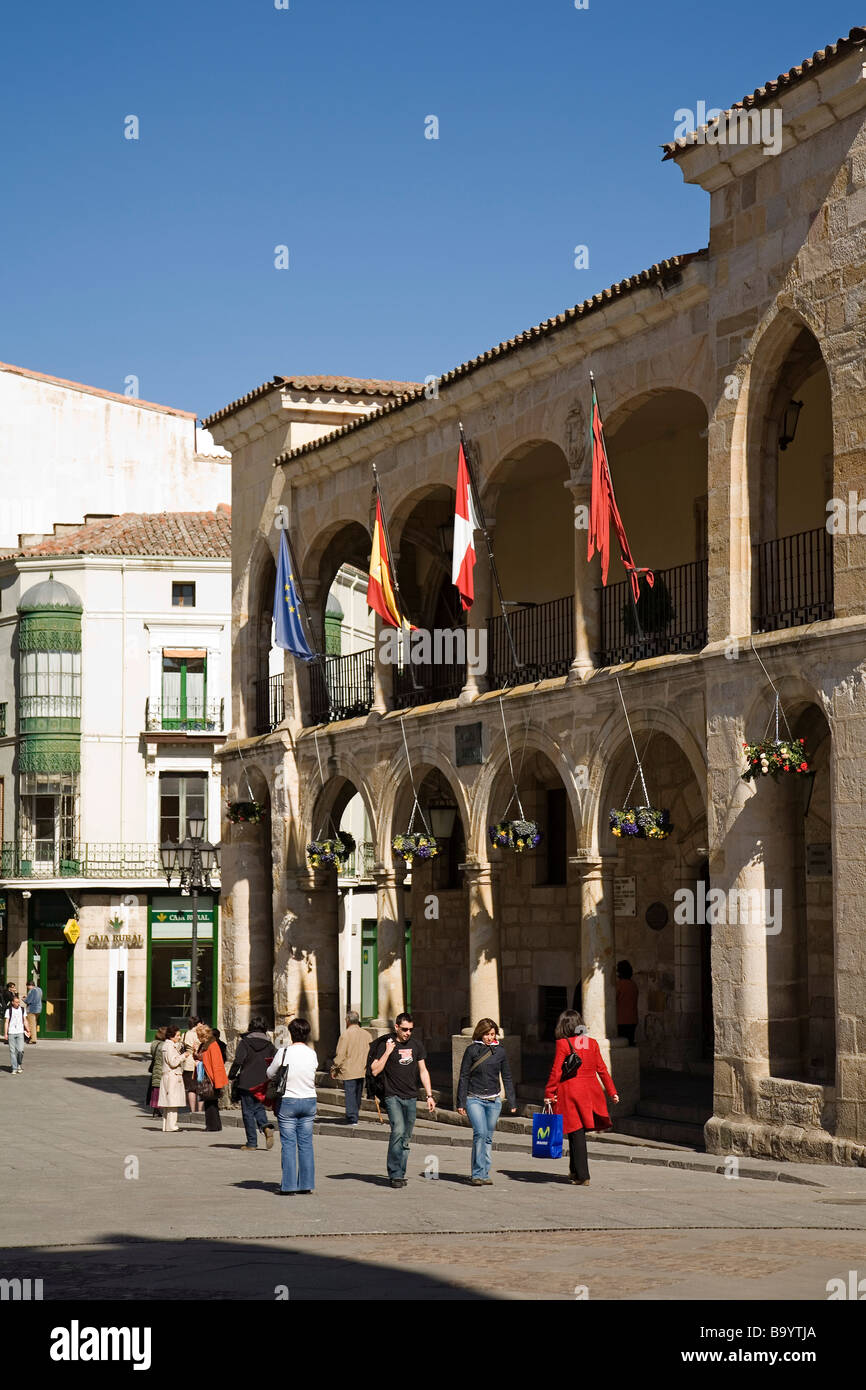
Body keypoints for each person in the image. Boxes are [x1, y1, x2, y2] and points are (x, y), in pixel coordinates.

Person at [544, 1009, 618, 1186]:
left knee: (575, 1131)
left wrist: (549, 1092)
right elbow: (602, 1069)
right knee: (576, 1131)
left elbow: (557, 1071)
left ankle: (583, 1174)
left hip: (570, 1090)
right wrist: (612, 1091)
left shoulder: (563, 1043)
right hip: (590, 1090)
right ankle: (574, 1170)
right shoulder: (591, 1043)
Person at [369, 1012, 436, 1188]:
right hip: (392, 1095)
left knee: (406, 1137)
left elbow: (423, 1070)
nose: (407, 1033)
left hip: (411, 1096)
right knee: (398, 1130)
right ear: (396, 1027)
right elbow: (374, 1070)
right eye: (404, 1029)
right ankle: (395, 1173)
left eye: (410, 1030)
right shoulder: (386, 1044)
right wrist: (388, 1051)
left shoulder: (416, 1045)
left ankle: (400, 1172)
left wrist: (429, 1095)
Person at [456, 1018, 517, 1185]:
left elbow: (507, 1076)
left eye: (492, 1034)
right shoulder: (472, 1050)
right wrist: (460, 1102)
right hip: (474, 1098)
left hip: (494, 1100)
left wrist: (511, 1101)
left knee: (488, 1137)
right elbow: (464, 1076)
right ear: (480, 1034)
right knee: (480, 1133)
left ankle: (484, 1173)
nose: (490, 1037)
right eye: (486, 1034)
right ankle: (476, 1173)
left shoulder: (500, 1052)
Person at [266, 1017, 318, 1194]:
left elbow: (270, 1072)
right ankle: (306, 1184)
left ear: (291, 1033)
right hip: (309, 1099)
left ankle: (288, 1185)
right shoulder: (312, 1053)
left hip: (288, 1100)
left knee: (288, 1144)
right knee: (306, 1144)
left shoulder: (284, 1052)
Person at [228, 1018, 276, 1151]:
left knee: (248, 1112)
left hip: (246, 1081)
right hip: (263, 1081)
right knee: (258, 1107)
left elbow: (238, 1060)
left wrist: (231, 1075)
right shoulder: (270, 1045)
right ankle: (265, 1126)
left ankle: (252, 1142)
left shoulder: (245, 1042)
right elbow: (275, 1061)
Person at [330, 1010, 372, 1125]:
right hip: (362, 1069)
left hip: (349, 1070)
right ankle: (355, 1114)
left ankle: (352, 1117)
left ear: (347, 1020)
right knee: (358, 1093)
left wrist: (334, 1068)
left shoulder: (346, 1034)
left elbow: (341, 1054)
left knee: (350, 1094)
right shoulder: (367, 1034)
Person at [195, 1024, 229, 1132]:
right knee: (211, 1102)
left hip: (210, 1077)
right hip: (207, 1076)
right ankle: (215, 1125)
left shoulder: (212, 1045)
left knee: (210, 1101)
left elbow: (215, 1064)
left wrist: (217, 1081)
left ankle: (212, 1126)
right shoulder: (206, 1044)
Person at [157, 1025, 187, 1131]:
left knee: (169, 1102)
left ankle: (167, 1125)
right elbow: (173, 1062)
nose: (179, 1037)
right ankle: (172, 1126)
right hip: (172, 1076)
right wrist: (183, 1056)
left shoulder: (168, 1045)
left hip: (169, 1076)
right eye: (177, 1035)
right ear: (172, 1036)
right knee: (172, 1102)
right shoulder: (169, 1046)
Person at [3, 992, 30, 1074]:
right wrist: (5, 1033)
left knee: (20, 1050)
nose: (18, 1003)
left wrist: (28, 1030)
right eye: (16, 1002)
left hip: (20, 1032)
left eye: (19, 1002)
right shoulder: (8, 1010)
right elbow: (6, 1022)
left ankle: (19, 1064)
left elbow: (25, 1020)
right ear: (12, 1002)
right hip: (11, 1032)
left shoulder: (22, 1009)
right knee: (12, 1051)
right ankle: (14, 1068)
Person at [616, 960, 639, 1046]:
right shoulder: (633, 985)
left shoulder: (619, 985)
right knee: (630, 1042)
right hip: (633, 1019)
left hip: (621, 1020)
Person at [183, 1015, 202, 1112]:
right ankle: (199, 1110)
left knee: (190, 1088)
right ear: (198, 1024)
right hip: (196, 1063)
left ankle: (192, 1110)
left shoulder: (185, 1034)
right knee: (200, 1088)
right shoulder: (197, 1035)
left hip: (186, 1063)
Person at [148, 1027, 167, 1111]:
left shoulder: (154, 1044)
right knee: (162, 1087)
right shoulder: (164, 1045)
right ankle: (161, 1107)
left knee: (156, 1087)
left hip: (155, 1067)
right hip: (162, 1068)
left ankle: (155, 1106)